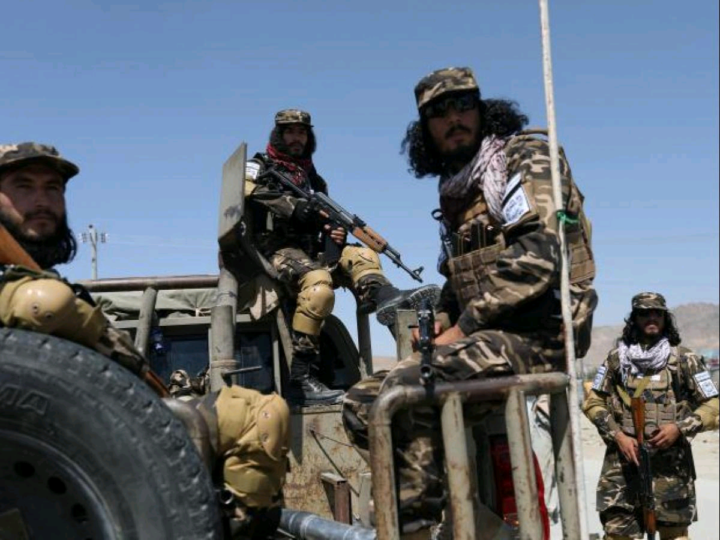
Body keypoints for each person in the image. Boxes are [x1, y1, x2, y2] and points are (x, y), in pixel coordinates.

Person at [342, 67, 597, 538]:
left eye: (463, 105)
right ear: (425, 131)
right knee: (360, 404)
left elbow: (538, 256)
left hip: (542, 332)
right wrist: (441, 317)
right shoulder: (458, 189)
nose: (452, 118)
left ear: (483, 110)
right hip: (490, 337)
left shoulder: (523, 156)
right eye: (438, 113)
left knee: (409, 391)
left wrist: (463, 326)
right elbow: (456, 281)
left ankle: (418, 530)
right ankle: (465, 525)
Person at [0, 142, 290, 538]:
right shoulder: (29, 287)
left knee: (259, 411)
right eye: (24, 186)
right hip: (58, 434)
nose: (42, 201)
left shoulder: (39, 274)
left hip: (101, 418)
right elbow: (40, 309)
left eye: (53, 189)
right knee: (255, 417)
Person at [244, 109, 440, 405]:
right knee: (319, 287)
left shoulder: (313, 179)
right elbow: (248, 192)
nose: (297, 138)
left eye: (302, 132)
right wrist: (294, 207)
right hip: (276, 252)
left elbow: (324, 225)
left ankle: (384, 295)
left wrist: (335, 235)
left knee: (361, 253)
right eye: (290, 132)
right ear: (279, 134)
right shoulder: (258, 165)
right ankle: (302, 378)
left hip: (312, 253)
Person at [583, 292, 719, 540]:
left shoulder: (685, 360)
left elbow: (713, 404)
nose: (652, 317)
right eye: (645, 313)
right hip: (622, 466)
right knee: (618, 535)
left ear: (666, 318)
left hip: (671, 469)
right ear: (634, 319)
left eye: (657, 312)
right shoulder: (616, 360)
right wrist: (617, 435)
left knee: (675, 535)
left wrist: (680, 427)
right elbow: (594, 401)